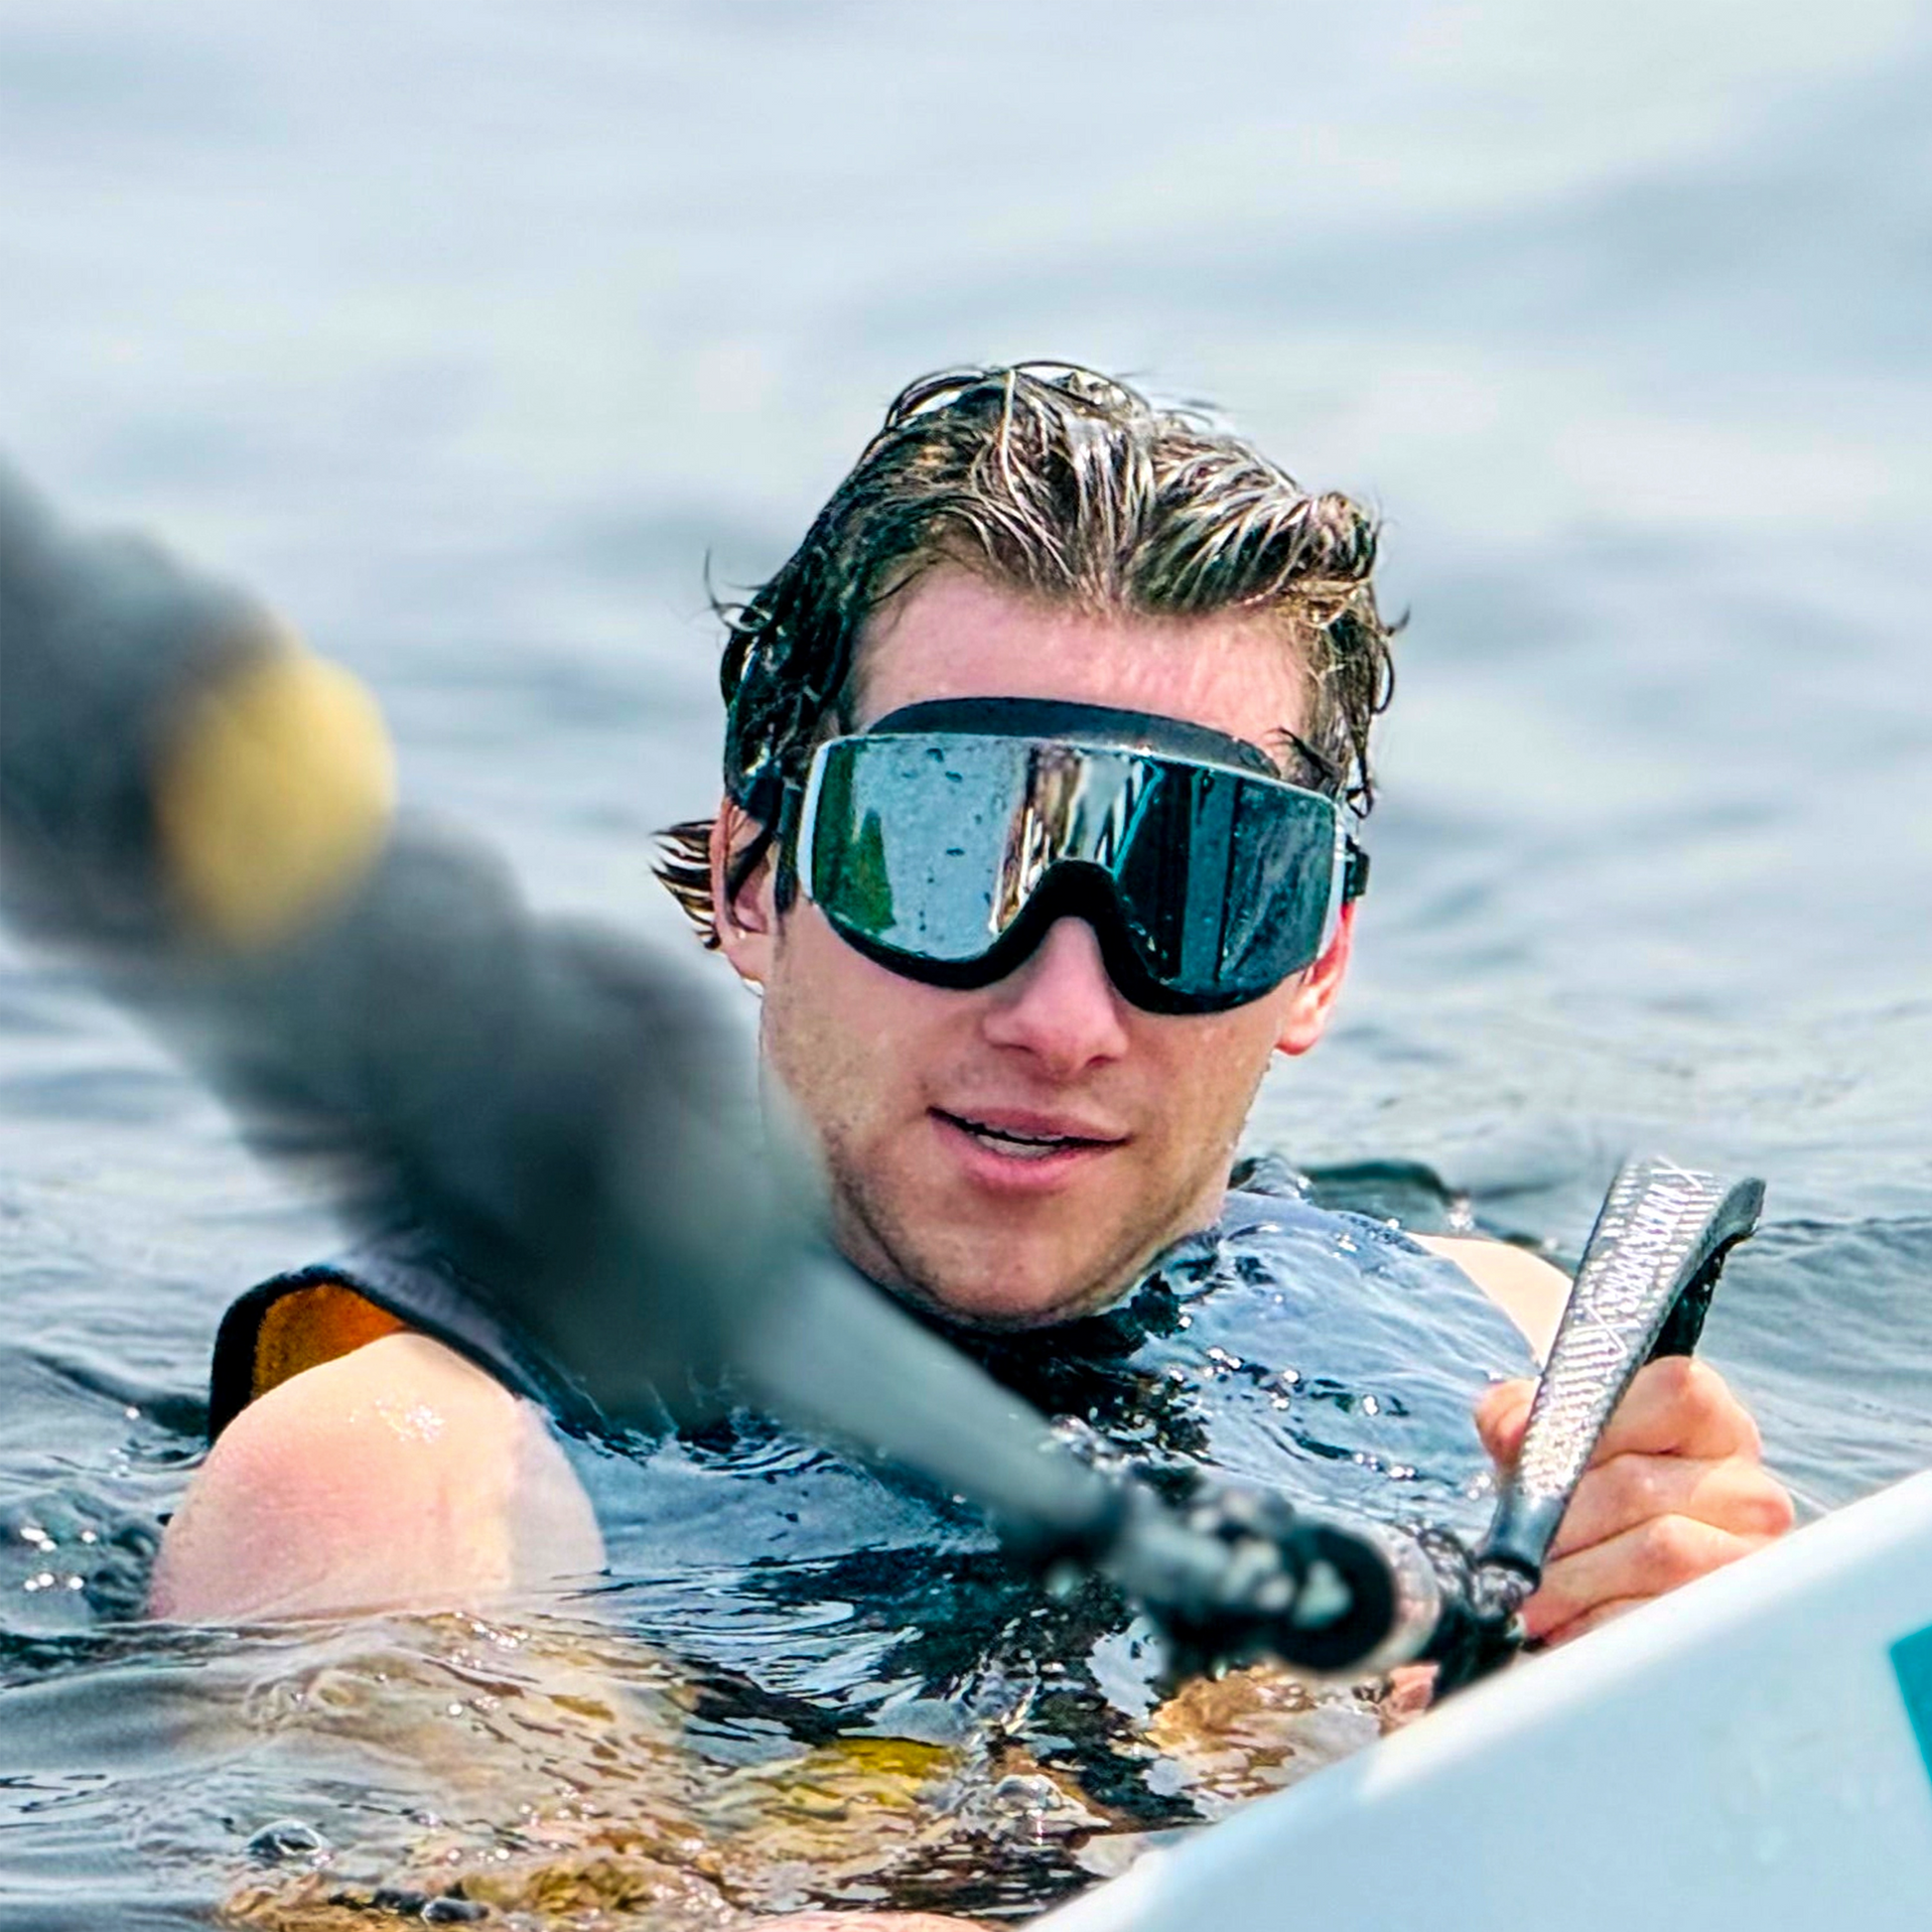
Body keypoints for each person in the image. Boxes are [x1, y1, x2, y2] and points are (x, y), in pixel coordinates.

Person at [149, 366, 1790, 1914]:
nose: (1064, 1012)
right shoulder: (413, 1480)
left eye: (1199, 884)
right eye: (945, 853)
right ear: (751, 880)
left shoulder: (1515, 1346)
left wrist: (1708, 1709)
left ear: (1318, 961)